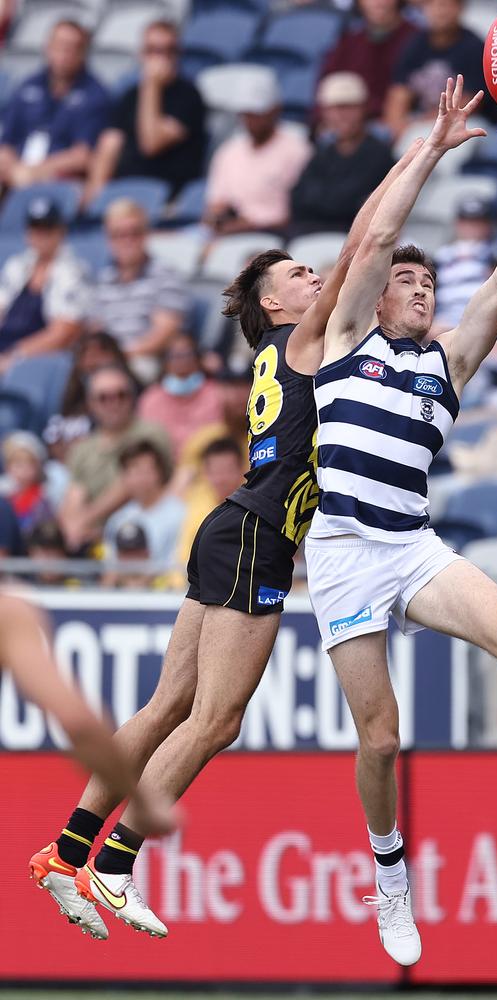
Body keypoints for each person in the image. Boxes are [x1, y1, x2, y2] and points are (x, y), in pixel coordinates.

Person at [29, 130, 427, 938]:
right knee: (216, 720)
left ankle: (64, 855)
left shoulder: (279, 349)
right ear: (276, 306)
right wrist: (427, 150)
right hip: (257, 536)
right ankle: (114, 864)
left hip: (230, 524)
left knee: (169, 702)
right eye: (297, 275)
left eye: (310, 270)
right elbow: (365, 241)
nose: (315, 277)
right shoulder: (306, 341)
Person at [303, 84, 497, 966]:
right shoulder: (345, 341)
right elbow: (367, 243)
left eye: (429, 279)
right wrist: (434, 151)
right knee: (382, 738)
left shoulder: (449, 363)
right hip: (344, 556)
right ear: (377, 296)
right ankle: (389, 877)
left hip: (410, 546)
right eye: (409, 279)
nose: (422, 288)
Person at [4, 593, 177, 942]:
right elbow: (79, 725)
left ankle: (66, 855)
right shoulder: (9, 614)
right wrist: (142, 803)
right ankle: (79, 858)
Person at [84, 19, 206, 204]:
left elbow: (151, 143)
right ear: (142, 54)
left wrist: (151, 86)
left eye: (168, 50)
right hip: (124, 193)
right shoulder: (129, 96)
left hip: (168, 197)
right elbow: (109, 146)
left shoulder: (189, 95)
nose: (160, 58)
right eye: (153, 50)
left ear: (178, 54)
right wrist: (94, 197)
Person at [57, 364, 171, 552]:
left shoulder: (150, 433)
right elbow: (74, 495)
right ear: (90, 404)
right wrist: (71, 529)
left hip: (144, 536)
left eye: (121, 395)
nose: (113, 402)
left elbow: (130, 485)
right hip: (91, 537)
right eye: (103, 398)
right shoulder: (83, 448)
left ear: (132, 398)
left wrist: (86, 519)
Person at [0, 19, 109, 189]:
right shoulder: (28, 85)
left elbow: (82, 155)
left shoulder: (94, 94)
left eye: (71, 48)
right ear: (48, 47)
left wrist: (35, 171)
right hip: (17, 170)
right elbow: (6, 141)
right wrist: (14, 168)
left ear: (82, 53)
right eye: (59, 45)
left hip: (59, 178)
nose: (64, 54)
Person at [88, 199, 190, 380]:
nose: (127, 240)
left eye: (134, 233)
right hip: (109, 361)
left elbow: (164, 333)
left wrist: (120, 356)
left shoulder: (165, 274)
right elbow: (96, 328)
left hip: (146, 360)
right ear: (108, 240)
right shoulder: (104, 279)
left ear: (146, 234)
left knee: (138, 368)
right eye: (119, 234)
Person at [204, 67, 311, 235]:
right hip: (228, 231)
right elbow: (217, 203)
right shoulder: (229, 151)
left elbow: (296, 212)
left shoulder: (297, 150)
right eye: (246, 114)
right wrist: (218, 219)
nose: (250, 120)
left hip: (273, 234)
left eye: (256, 113)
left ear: (275, 110)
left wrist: (249, 225)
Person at [291, 73, 395, 234]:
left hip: (352, 235)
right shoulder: (323, 152)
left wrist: (319, 199)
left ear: (364, 109)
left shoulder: (379, 154)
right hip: (312, 231)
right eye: (334, 109)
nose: (341, 116)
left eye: (349, 107)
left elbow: (347, 205)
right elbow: (297, 199)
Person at [385, 0, 497, 137]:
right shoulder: (415, 44)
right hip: (421, 122)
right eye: (432, 5)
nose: (439, 11)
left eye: (446, 5)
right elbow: (398, 94)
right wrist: (397, 126)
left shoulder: (474, 46)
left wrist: (418, 125)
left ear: (460, 8)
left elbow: (468, 104)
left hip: (469, 123)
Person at [0, 198, 88, 373]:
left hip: (38, 359)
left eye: (47, 229)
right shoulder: (16, 266)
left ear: (60, 231)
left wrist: (14, 356)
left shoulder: (73, 271)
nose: (40, 236)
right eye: (35, 229)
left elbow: (64, 332)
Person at [43, 331, 135, 462]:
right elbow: (52, 437)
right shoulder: (71, 398)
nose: (92, 361)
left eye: (100, 353)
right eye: (86, 354)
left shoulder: (132, 393)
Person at [319, 0, 417, 120]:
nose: (379, 3)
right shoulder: (348, 42)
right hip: (350, 125)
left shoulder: (416, 39)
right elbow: (326, 85)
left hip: (404, 122)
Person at [137, 333, 226, 460]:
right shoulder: (150, 399)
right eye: (174, 355)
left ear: (197, 358)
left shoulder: (217, 394)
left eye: (187, 354)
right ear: (165, 362)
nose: (181, 361)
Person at [103, 439, 184, 568]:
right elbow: (110, 570)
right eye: (132, 471)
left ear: (160, 473)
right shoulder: (117, 520)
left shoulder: (181, 514)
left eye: (145, 471)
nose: (139, 478)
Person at [175, 436, 245, 568]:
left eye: (228, 470)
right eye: (216, 472)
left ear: (241, 470)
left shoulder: (255, 508)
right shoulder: (194, 509)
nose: (222, 479)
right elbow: (183, 558)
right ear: (206, 473)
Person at [433, 195, 497, 327]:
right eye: (466, 221)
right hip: (444, 321)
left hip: (486, 323)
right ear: (457, 223)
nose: (471, 227)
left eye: (477, 222)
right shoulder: (441, 256)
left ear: (488, 225)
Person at [0, 431, 55, 538]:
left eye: (29, 464)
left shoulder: (42, 496)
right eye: (18, 464)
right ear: (8, 468)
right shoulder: (5, 494)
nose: (24, 471)